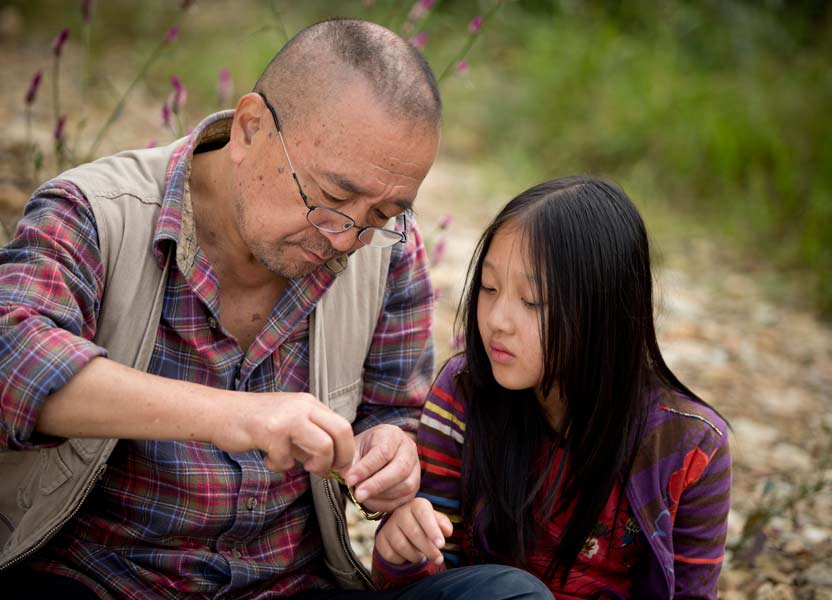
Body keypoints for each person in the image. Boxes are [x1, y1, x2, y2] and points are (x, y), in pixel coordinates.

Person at [0, 18, 551, 600]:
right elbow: (13, 361)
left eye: (383, 213)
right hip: (100, 581)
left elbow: (394, 410)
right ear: (249, 129)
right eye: (333, 198)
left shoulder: (384, 248)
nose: (346, 239)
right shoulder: (95, 211)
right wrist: (235, 415)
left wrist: (391, 454)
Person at [371, 176, 732, 599]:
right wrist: (401, 551)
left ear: (605, 311)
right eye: (489, 288)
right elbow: (432, 584)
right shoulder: (465, 392)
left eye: (533, 300)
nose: (498, 320)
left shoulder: (690, 446)